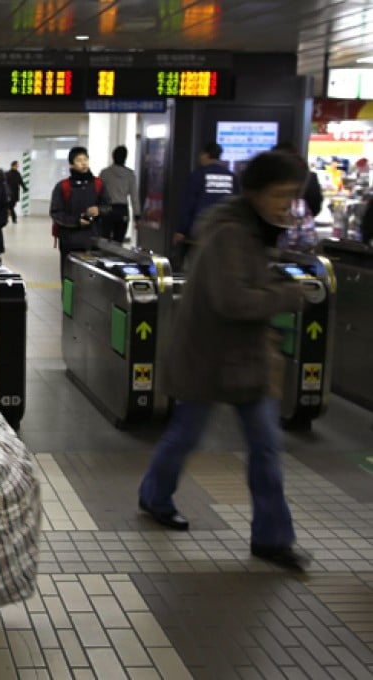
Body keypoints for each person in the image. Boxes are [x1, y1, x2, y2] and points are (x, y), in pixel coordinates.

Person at [138, 151, 311, 572]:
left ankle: (272, 538)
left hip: (245, 362)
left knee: (265, 449)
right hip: (209, 358)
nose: (285, 205)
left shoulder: (254, 229)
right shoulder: (230, 233)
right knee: (185, 436)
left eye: (292, 196)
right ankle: (155, 496)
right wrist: (289, 294)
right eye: (280, 194)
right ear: (255, 192)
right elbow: (233, 300)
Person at [50, 146, 110, 277]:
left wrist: (99, 210)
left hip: (93, 241)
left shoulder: (99, 184)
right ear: (71, 164)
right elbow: (56, 213)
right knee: (69, 277)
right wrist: (77, 221)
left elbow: (108, 206)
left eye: (85, 159)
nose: (83, 163)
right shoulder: (63, 186)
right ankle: (68, 298)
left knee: (92, 278)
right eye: (79, 160)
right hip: (70, 242)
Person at [177, 141, 238, 266]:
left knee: (200, 263)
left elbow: (188, 204)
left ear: (206, 155)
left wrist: (181, 230)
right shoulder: (231, 177)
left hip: (202, 230)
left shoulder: (198, 176)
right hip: (226, 229)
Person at [99, 145, 141, 244]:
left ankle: (104, 258)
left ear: (113, 156)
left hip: (107, 210)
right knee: (118, 241)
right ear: (125, 158)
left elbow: (99, 193)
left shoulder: (105, 173)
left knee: (105, 240)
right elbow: (134, 197)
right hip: (122, 210)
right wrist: (137, 216)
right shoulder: (130, 175)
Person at [4, 160, 28, 225]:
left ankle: (9, 218)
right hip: (9, 193)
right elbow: (5, 183)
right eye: (16, 165)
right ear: (12, 166)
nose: (17, 166)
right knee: (10, 206)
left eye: (17, 165)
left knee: (11, 206)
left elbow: (21, 182)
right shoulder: (7, 173)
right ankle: (13, 219)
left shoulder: (18, 174)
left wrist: (25, 188)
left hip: (15, 193)